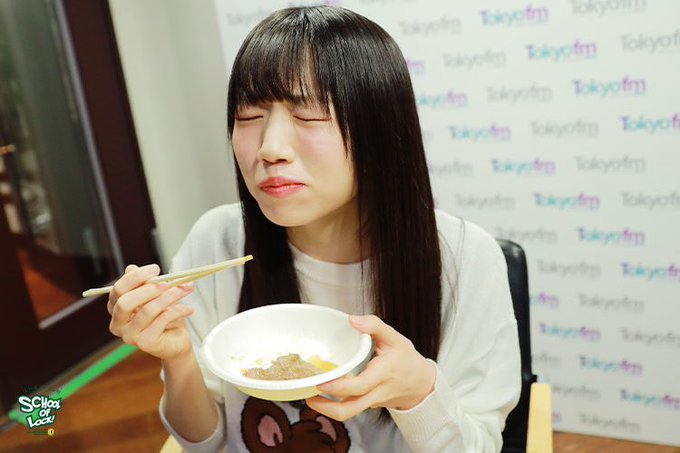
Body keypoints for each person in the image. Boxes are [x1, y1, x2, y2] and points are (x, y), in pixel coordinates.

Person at [107, 6, 520, 453]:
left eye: (308, 116)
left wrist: (419, 392)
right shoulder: (217, 241)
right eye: (249, 115)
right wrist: (177, 357)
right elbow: (205, 444)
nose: (270, 148)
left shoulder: (464, 258)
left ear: (379, 128)